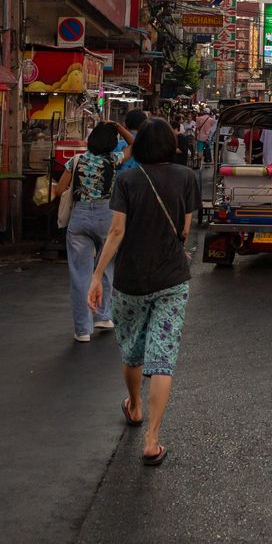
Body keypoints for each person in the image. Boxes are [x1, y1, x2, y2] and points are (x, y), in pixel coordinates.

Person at [87, 117, 201, 467]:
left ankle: (134, 406)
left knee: (133, 350)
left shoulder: (127, 179)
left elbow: (117, 231)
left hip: (130, 280)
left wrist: (95, 277)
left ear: (139, 147)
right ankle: (152, 440)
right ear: (171, 145)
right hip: (171, 279)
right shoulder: (187, 178)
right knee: (162, 358)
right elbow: (184, 228)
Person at [52, 121, 121, 342]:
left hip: (79, 217)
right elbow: (136, 145)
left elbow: (60, 190)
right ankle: (103, 315)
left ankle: (83, 329)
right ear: (111, 142)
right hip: (105, 216)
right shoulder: (114, 159)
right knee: (106, 266)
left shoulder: (77, 160)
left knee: (79, 274)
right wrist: (119, 128)